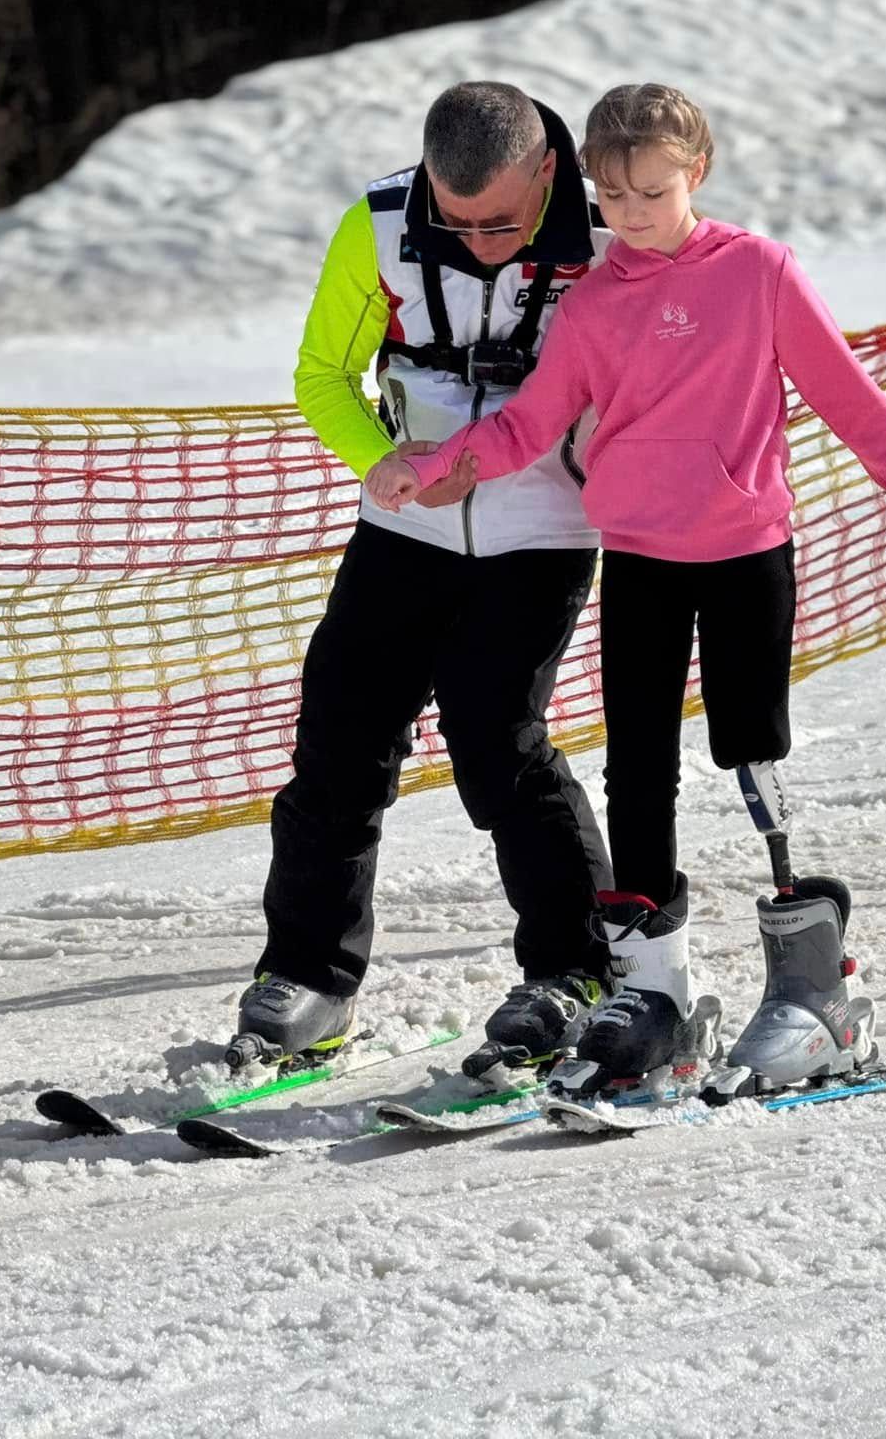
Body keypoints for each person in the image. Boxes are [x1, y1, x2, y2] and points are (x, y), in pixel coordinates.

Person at [367, 84, 886, 1098]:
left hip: (742, 550)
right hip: (640, 556)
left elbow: (847, 398)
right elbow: (525, 428)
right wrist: (429, 467)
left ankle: (809, 982)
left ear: (697, 172)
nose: (630, 211)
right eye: (610, 193)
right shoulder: (596, 301)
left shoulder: (757, 273)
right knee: (635, 763)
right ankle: (650, 992)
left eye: (650, 190)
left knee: (749, 742)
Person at [229, 82, 619, 1080]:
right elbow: (323, 375)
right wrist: (375, 458)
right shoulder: (379, 225)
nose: (479, 242)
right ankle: (307, 982)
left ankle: (573, 974)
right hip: (404, 521)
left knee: (498, 743)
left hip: (542, 522)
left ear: (544, 173)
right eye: (456, 221)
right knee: (338, 737)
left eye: (500, 222)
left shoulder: (611, 228)